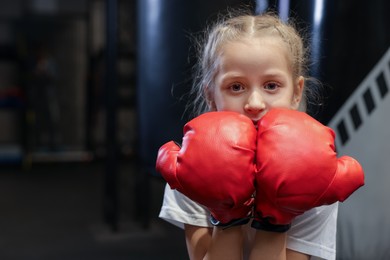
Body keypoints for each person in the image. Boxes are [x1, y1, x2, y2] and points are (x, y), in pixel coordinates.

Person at [157, 11, 362, 260]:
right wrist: (227, 215)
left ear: (296, 92)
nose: (255, 102)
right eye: (236, 87)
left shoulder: (315, 172)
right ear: (211, 95)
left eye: (271, 86)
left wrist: (277, 215)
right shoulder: (189, 168)